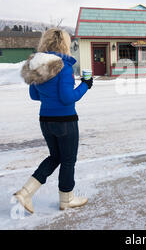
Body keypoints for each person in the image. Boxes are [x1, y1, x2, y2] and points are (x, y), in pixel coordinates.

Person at [14, 28, 93, 213]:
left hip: (45, 120)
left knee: (55, 157)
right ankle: (67, 199)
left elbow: (34, 94)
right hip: (65, 120)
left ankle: (25, 192)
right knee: (67, 160)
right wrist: (85, 85)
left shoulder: (38, 66)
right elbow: (67, 98)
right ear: (64, 44)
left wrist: (50, 96)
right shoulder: (64, 67)